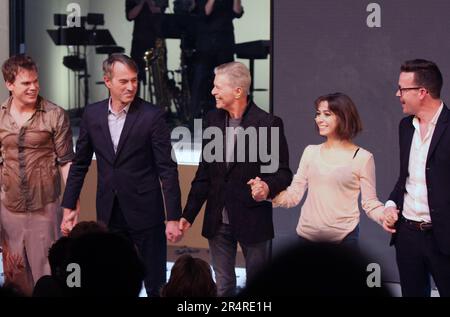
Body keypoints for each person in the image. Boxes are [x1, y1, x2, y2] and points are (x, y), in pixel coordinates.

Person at [60, 53, 183, 297]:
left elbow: (167, 169)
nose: (131, 86)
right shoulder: (92, 114)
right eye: (123, 81)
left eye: (134, 80)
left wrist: (173, 217)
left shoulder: (152, 115)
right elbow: (80, 164)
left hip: (146, 211)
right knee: (112, 279)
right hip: (109, 211)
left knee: (155, 280)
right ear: (107, 82)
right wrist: (68, 207)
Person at [180, 61, 292, 296]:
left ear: (238, 91)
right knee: (224, 286)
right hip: (217, 220)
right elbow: (204, 173)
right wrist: (188, 214)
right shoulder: (212, 119)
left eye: (218, 87)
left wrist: (266, 187)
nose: (213, 92)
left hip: (253, 219)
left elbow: (282, 173)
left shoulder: (268, 123)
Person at [250, 93, 386, 246]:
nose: (319, 119)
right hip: (306, 236)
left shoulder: (363, 158)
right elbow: (293, 195)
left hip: (344, 239)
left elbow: (370, 203)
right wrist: (266, 191)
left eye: (327, 114)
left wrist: (385, 215)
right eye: (318, 114)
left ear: (344, 117)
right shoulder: (310, 152)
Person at [0, 54, 74, 296]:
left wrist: (72, 206)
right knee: (15, 273)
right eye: (25, 83)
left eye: (35, 81)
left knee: (47, 272)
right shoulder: (0, 116)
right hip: (9, 207)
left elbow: (66, 162)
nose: (33, 87)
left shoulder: (54, 114)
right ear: (9, 85)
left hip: (45, 205)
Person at [383, 59, 450, 297]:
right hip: (408, 236)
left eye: (402, 89)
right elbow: (406, 179)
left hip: (444, 237)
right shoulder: (405, 127)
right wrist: (390, 206)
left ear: (422, 92)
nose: (397, 93)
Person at [189, 0, 243, 120]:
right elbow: (205, 12)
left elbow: (237, 12)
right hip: (206, 43)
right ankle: (194, 118)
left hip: (225, 42)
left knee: (227, 81)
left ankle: (226, 117)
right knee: (200, 81)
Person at [126, 0, 167, 88]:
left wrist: (149, 2)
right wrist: (141, 3)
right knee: (135, 75)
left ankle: (161, 100)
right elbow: (130, 16)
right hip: (139, 40)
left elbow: (159, 12)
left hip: (156, 39)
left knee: (161, 76)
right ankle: (135, 101)